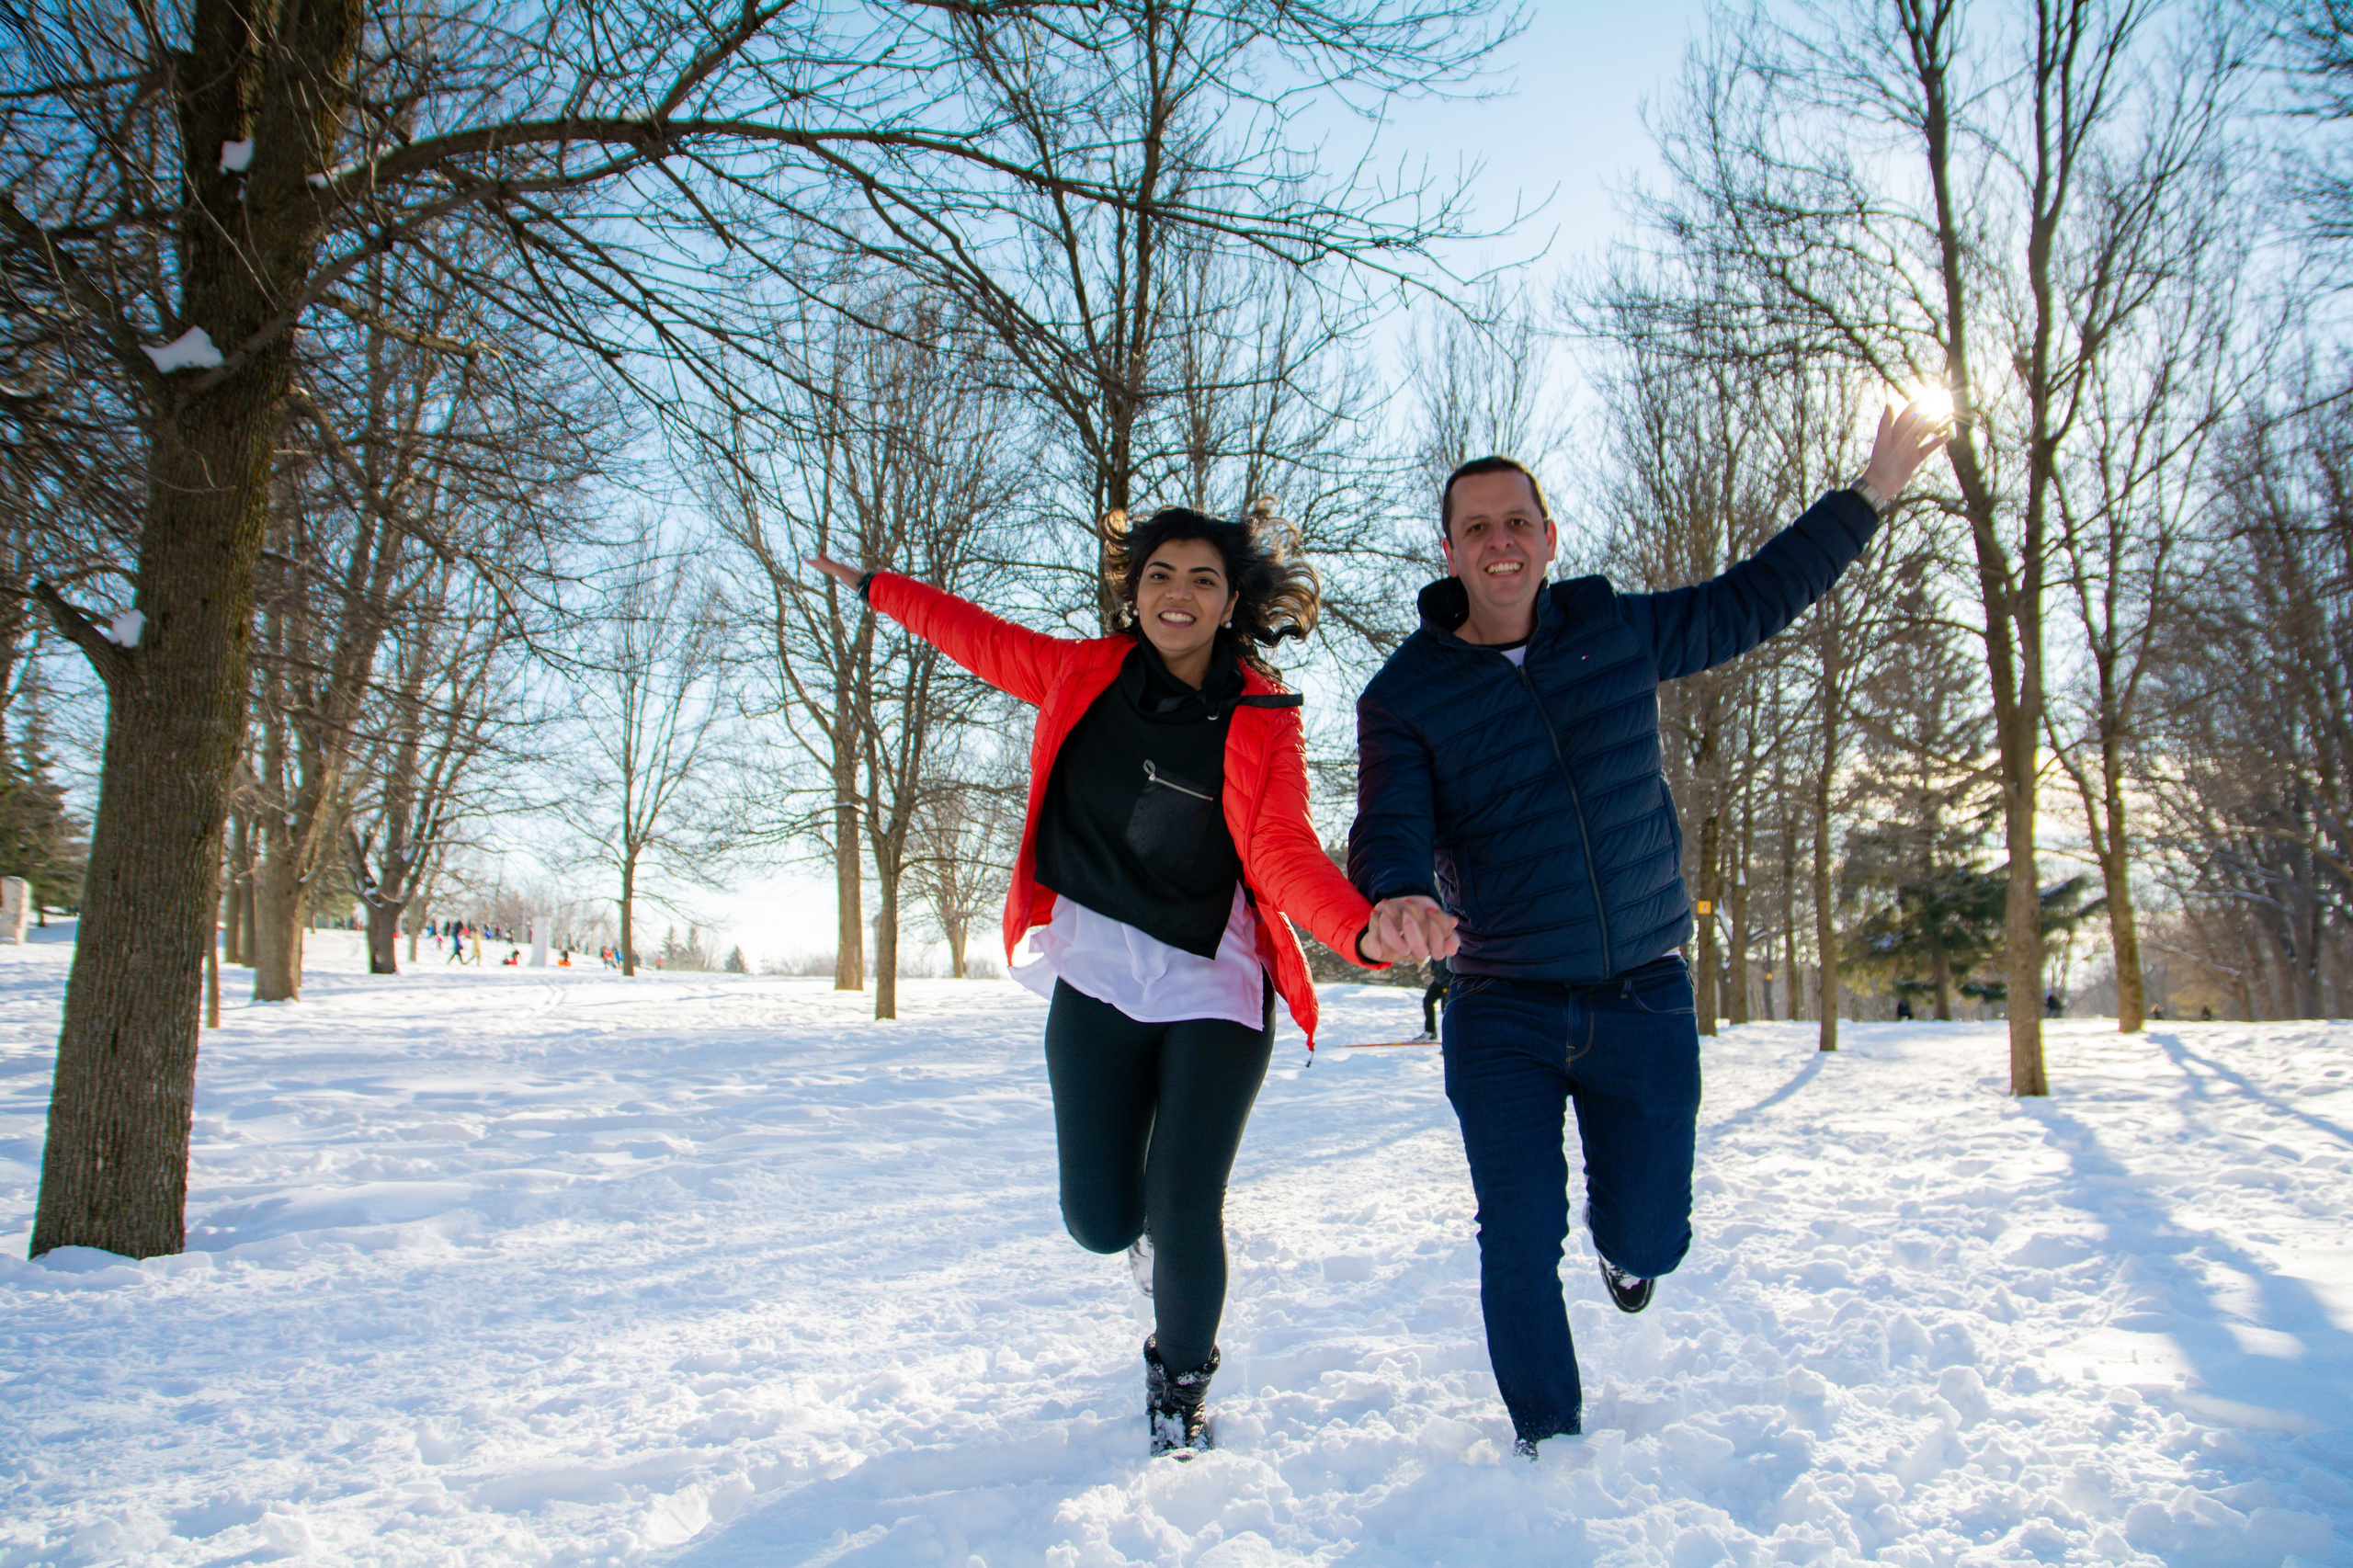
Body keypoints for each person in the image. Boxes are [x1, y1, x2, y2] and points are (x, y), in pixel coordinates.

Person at [1348, 401, 1948, 1455]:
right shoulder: (1406, 693)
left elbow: (1752, 599)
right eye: (1477, 526)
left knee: (1651, 1233)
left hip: (1643, 993)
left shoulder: (1612, 631)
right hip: (1503, 1005)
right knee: (1517, 1238)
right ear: (1447, 550)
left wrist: (1867, 497)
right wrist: (1397, 892)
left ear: (1548, 536)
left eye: (1518, 520)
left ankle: (1629, 1257)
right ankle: (1551, 1441)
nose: (1501, 541)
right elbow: (1389, 820)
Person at [808, 505, 1454, 1458]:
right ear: (1133, 590)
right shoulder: (1080, 672)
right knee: (1101, 1221)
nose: (1177, 593)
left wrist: (1359, 927)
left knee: (1185, 1204)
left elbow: (1277, 851)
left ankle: (1180, 1379)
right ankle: (1142, 1235)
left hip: (1213, 980)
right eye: (1159, 574)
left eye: (1200, 578)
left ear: (1231, 600)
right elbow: (974, 635)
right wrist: (874, 587)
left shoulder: (1261, 714)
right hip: (1099, 970)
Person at [1420, 955, 1452, 1041]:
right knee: (1427, 1001)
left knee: (1446, 1009)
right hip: (1439, 980)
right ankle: (1430, 1032)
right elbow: (1435, 958)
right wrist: (1433, 971)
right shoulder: (1439, 944)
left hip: (1451, 982)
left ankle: (1451, 1039)